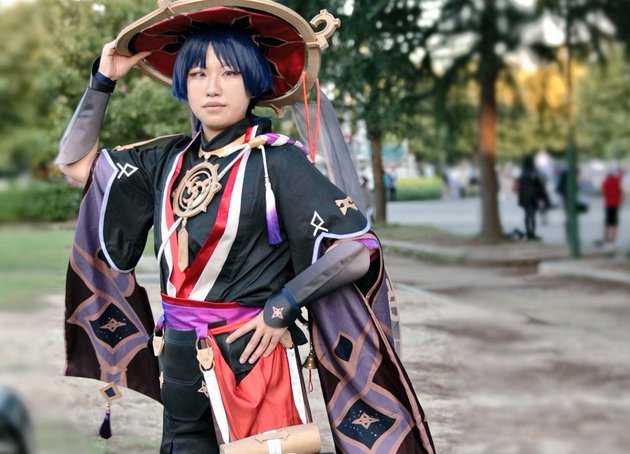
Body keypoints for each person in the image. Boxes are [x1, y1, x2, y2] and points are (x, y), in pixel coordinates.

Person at [55, 2, 434, 453]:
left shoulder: (280, 160)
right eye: (197, 73)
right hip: (177, 360)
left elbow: (356, 249)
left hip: (254, 364)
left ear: (253, 80)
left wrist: (283, 306)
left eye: (229, 73)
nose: (212, 87)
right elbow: (75, 164)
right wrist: (103, 78)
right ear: (183, 84)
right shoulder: (166, 160)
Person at [517, 155, 549, 240]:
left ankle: (528, 232)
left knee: (527, 215)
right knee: (532, 215)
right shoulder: (533, 172)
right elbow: (539, 183)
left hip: (524, 196)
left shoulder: (523, 173)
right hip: (533, 196)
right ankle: (532, 233)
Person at [601, 165, 623, 245]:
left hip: (608, 204)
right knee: (615, 222)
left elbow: (603, 192)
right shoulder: (616, 181)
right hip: (616, 204)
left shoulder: (605, 182)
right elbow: (621, 176)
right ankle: (613, 239)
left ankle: (606, 238)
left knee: (607, 222)